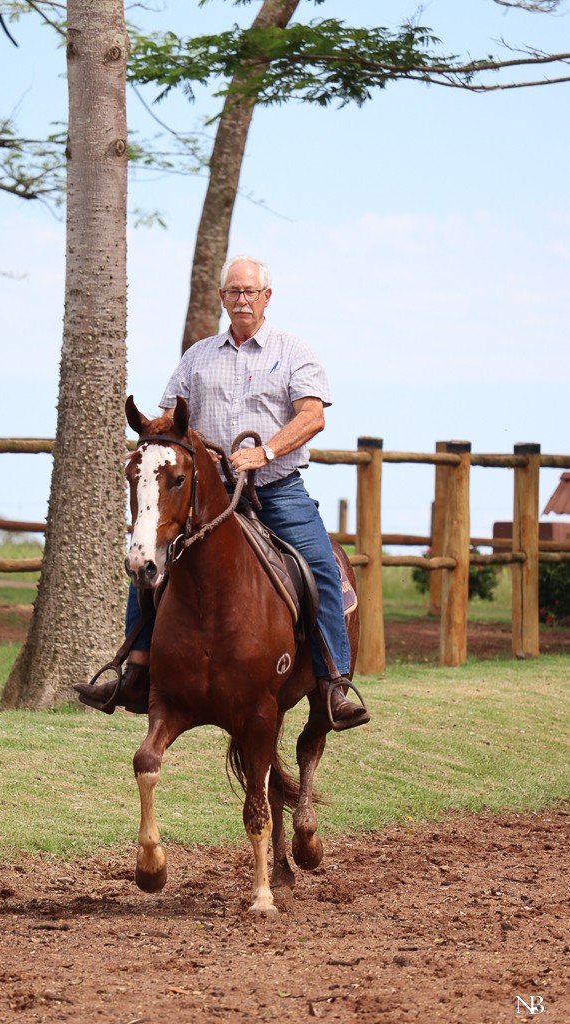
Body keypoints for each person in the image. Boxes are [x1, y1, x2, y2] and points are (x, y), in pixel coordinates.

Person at [75, 255, 369, 731]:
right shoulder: (198, 356)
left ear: (267, 297)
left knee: (321, 567)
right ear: (222, 298)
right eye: (234, 291)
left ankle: (333, 683)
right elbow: (169, 419)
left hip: (277, 490)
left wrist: (265, 452)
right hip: (207, 495)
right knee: (150, 556)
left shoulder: (294, 351)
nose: (242, 299)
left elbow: (312, 416)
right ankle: (135, 672)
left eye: (250, 291)